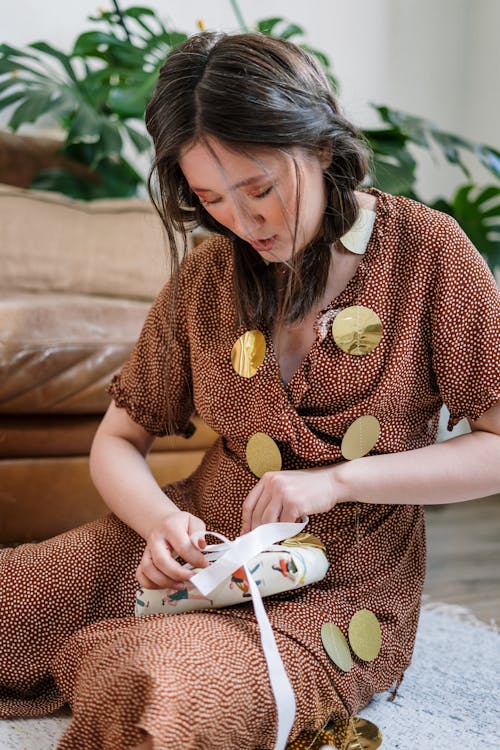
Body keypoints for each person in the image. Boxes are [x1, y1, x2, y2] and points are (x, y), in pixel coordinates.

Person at [1, 30, 499, 750]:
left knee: (161, 690)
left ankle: (138, 658)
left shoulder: (428, 252)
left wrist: (339, 483)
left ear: (322, 146)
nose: (243, 221)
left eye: (259, 188)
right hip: (200, 548)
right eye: (211, 198)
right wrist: (156, 526)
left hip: (339, 587)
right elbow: (118, 438)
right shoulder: (208, 277)